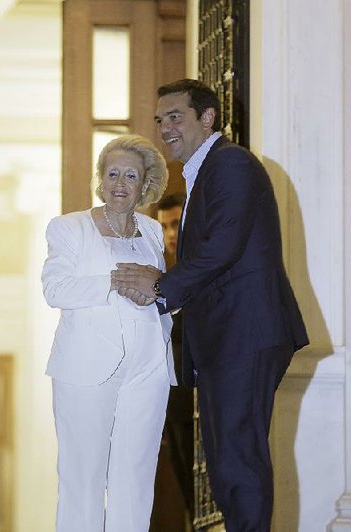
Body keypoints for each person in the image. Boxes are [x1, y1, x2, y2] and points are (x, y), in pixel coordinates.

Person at [112, 79, 309, 532]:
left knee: (237, 455)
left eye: (175, 117)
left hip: (248, 332)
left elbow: (223, 244)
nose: (164, 128)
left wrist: (161, 288)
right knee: (225, 459)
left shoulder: (231, 164)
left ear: (207, 117)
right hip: (232, 335)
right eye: (160, 120)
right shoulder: (206, 170)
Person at [42, 134, 175, 531]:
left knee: (135, 476)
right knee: (82, 477)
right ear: (100, 180)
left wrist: (156, 292)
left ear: (144, 184)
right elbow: (54, 289)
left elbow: (165, 293)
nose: (120, 183)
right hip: (86, 367)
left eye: (130, 176)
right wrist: (114, 281)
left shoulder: (152, 231)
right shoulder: (69, 228)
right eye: (112, 173)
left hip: (148, 366)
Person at [153, 192, 195, 527]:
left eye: (176, 224)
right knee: (189, 497)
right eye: (165, 225)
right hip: (171, 404)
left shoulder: (200, 270)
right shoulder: (164, 274)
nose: (170, 233)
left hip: (200, 401)